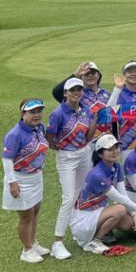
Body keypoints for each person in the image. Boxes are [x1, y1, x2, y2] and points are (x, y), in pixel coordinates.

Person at [70, 134, 136, 254]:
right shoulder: (97, 174)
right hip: (82, 221)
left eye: (116, 147)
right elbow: (117, 197)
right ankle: (93, 241)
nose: (115, 151)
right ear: (100, 154)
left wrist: (134, 213)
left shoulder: (117, 166)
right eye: (110, 149)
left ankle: (104, 233)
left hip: (97, 213)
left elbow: (123, 194)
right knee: (120, 209)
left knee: (129, 224)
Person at [46, 77, 94, 259]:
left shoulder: (86, 110)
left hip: (84, 153)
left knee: (83, 192)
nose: (76, 93)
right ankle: (57, 242)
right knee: (68, 198)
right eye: (72, 90)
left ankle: (81, 230)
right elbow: (50, 138)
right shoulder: (58, 114)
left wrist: (96, 120)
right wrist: (63, 149)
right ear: (65, 93)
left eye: (79, 90)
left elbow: (88, 136)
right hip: (67, 157)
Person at [2, 98, 50, 263]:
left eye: (39, 111)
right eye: (32, 112)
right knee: (26, 215)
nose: (37, 115)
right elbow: (7, 159)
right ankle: (27, 250)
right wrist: (12, 182)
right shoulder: (14, 134)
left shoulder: (39, 128)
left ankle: (33, 242)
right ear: (23, 113)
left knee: (35, 210)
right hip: (20, 179)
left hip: (36, 177)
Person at [107, 60, 136, 162]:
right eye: (130, 72)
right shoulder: (120, 93)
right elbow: (108, 112)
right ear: (125, 74)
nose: (134, 74)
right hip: (127, 143)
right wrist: (117, 88)